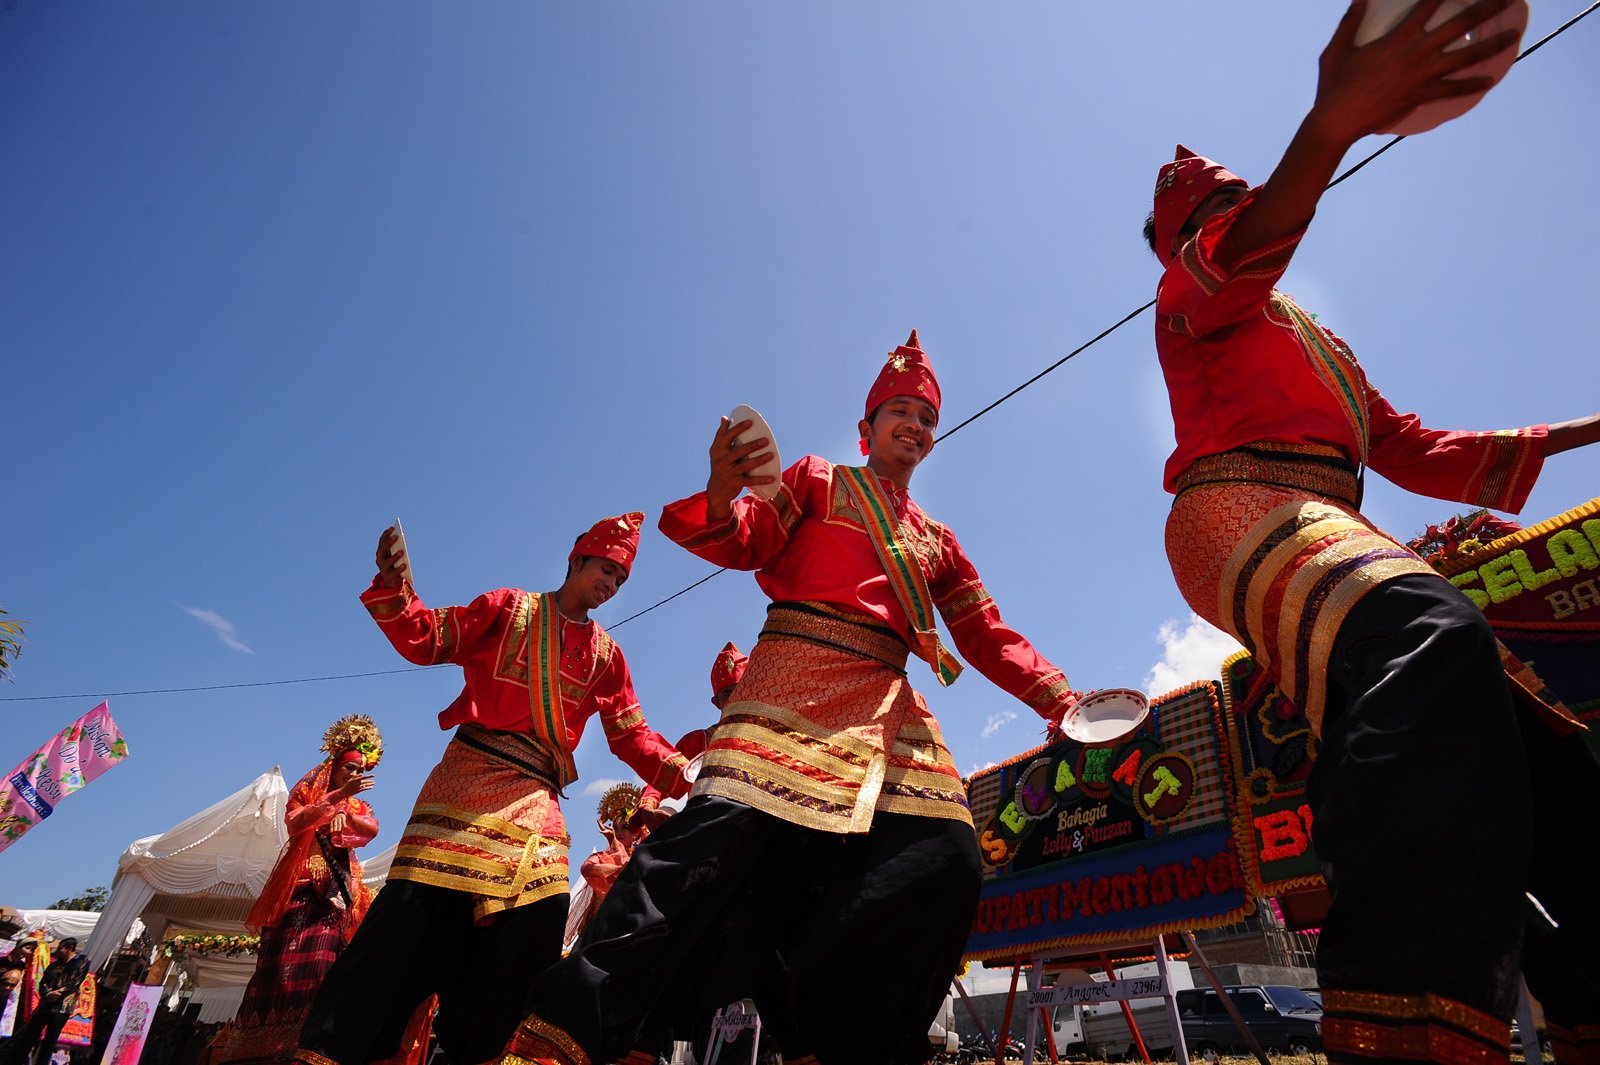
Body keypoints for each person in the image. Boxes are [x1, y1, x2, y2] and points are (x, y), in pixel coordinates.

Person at [1142, 3, 1600, 1060]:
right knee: (1427, 636)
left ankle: (1578, 1002)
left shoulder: (1324, 347)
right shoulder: (1191, 295)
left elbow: (1419, 446)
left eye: (1236, 197)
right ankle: (1399, 1016)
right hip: (1235, 512)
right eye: (1212, 208)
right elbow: (1243, 251)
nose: (1235, 211)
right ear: (1180, 240)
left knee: (1534, 757)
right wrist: (1329, 126)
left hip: (1327, 525)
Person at [500, 331, 1084, 1065]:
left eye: (926, 416)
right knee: (705, 857)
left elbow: (985, 631)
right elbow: (746, 536)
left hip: (888, 708)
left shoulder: (939, 539)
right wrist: (721, 489)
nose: (915, 424)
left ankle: (834, 1040)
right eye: (898, 410)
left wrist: (1060, 699)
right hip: (792, 683)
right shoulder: (817, 479)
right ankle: (566, 1034)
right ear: (865, 429)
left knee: (946, 858)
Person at [295, 514, 691, 1065]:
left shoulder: (608, 655)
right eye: (606, 569)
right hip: (466, 781)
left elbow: (632, 735)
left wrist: (688, 773)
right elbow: (429, 639)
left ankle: (488, 1051)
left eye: (621, 579)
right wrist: (395, 589)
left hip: (537, 797)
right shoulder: (508, 608)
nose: (612, 584)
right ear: (575, 560)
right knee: (403, 931)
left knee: (535, 927)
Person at [216, 717, 383, 1065]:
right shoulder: (310, 792)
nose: (353, 774)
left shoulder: (356, 806)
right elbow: (294, 823)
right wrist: (336, 800)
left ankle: (306, 1047)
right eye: (349, 767)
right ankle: (256, 1049)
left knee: (320, 972)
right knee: (275, 972)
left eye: (359, 769)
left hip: (332, 900)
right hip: (297, 894)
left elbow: (370, 829)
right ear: (335, 765)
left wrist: (348, 816)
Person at [630, 641, 748, 833]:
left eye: (740, 690)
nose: (735, 698)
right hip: (705, 824)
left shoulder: (767, 735)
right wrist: (648, 807)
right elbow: (662, 774)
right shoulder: (695, 742)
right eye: (728, 693)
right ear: (716, 702)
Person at [561, 783, 642, 950]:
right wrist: (615, 850)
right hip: (600, 924)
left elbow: (631, 873)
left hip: (630, 923)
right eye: (615, 827)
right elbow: (587, 870)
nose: (618, 832)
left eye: (625, 827)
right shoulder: (601, 857)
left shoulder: (642, 856)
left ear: (636, 830)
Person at [1, 937, 88, 1065]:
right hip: (45, 1005)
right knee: (29, 1037)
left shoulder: (81, 961)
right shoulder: (54, 965)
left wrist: (59, 993)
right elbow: (43, 983)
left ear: (70, 948)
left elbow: (75, 981)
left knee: (49, 1042)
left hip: (61, 1008)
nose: (57, 951)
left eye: (60, 948)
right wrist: (48, 993)